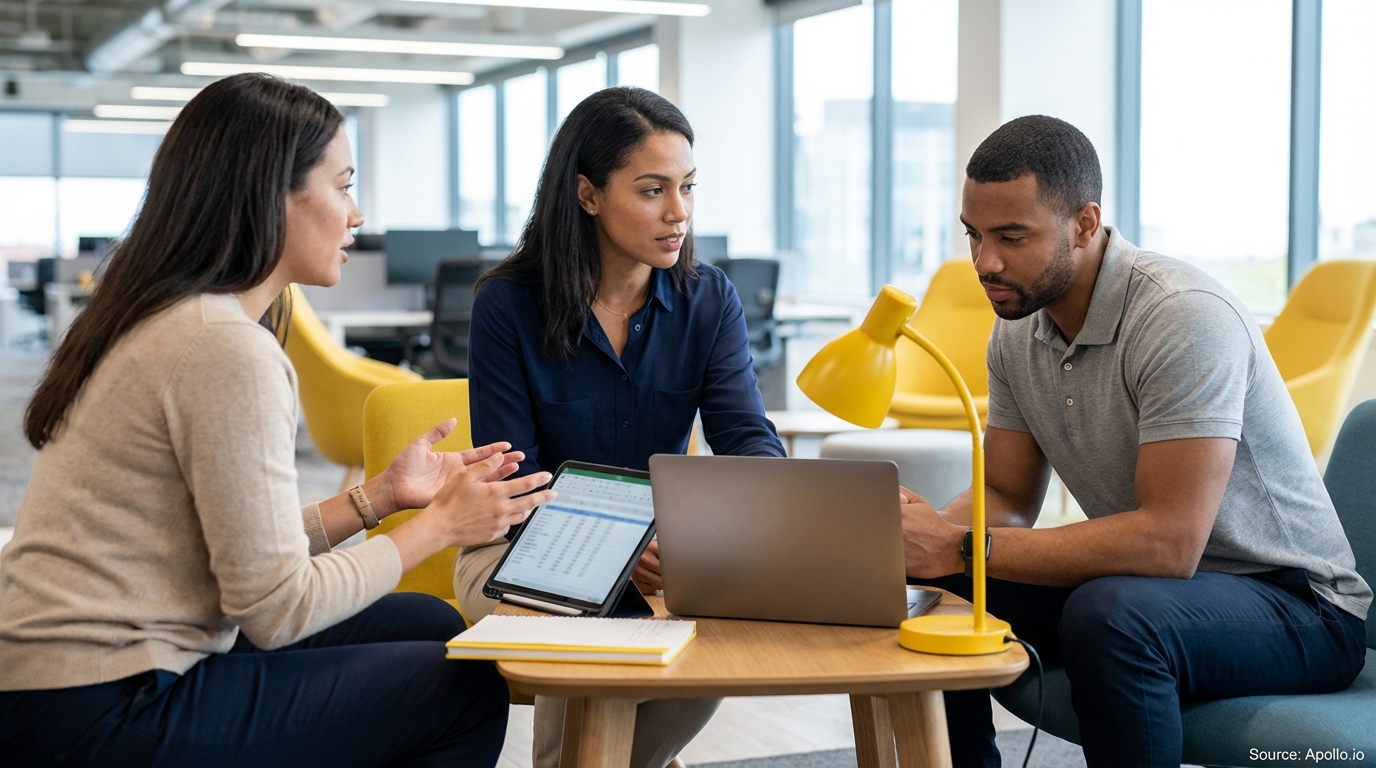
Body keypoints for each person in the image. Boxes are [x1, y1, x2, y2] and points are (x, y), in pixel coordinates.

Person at [0, 73, 556, 767]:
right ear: (274, 194)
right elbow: (275, 606)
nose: (357, 215)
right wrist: (437, 528)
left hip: (61, 679)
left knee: (432, 621)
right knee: (463, 686)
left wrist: (375, 500)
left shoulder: (172, 314)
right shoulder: (224, 348)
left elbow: (238, 551)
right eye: (344, 185)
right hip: (99, 702)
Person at [899, 116, 1370, 767]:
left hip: (1299, 609)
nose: (985, 262)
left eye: (1011, 237)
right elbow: (1007, 493)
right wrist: (921, 538)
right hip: (1158, 591)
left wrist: (958, 541)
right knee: (939, 581)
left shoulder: (1183, 316)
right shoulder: (1017, 326)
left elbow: (1168, 544)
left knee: (1110, 613)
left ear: (1086, 224)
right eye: (974, 236)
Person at [453, 87, 787, 768]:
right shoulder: (507, 304)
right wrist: (617, 542)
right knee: (587, 630)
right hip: (516, 550)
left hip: (664, 554)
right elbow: (515, 481)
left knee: (721, 640)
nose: (679, 213)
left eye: (688, 187)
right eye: (653, 189)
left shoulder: (708, 300)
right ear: (587, 195)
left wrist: (734, 524)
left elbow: (747, 438)